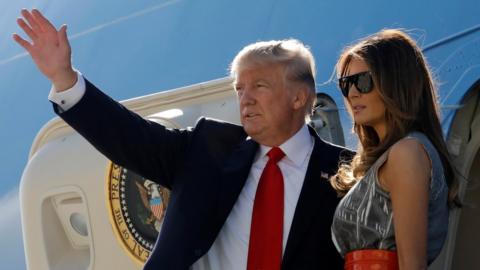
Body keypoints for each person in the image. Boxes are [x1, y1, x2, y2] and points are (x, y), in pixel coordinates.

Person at [14, 9, 353, 270]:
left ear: (299, 97)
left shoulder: (349, 175)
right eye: (240, 88)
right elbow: (128, 136)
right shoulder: (206, 150)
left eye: (260, 86)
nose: (245, 99)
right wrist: (65, 78)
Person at [330, 29, 460, 270]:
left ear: (396, 83)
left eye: (363, 81)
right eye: (345, 85)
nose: (352, 93)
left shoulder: (407, 152)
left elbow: (412, 264)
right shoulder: (398, 153)